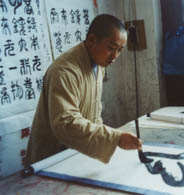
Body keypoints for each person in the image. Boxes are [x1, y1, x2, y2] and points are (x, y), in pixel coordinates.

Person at [25, 14, 142, 166]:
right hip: (52, 158)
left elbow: (94, 111)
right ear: (92, 40)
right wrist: (114, 138)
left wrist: (108, 138)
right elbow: (66, 123)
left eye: (119, 50)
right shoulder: (65, 71)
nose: (115, 56)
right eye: (111, 48)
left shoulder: (99, 64)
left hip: (78, 151)